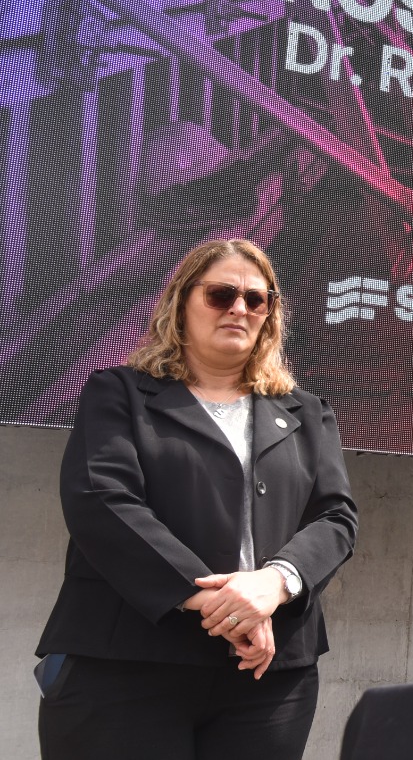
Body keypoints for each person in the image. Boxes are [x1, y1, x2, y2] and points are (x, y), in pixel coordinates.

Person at [35, 238, 358, 759]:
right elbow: (103, 499)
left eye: (256, 299)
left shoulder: (307, 412)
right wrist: (224, 606)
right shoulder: (117, 393)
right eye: (221, 294)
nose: (239, 309)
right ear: (181, 303)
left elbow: (336, 518)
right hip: (126, 668)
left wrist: (274, 583)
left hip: (268, 678)